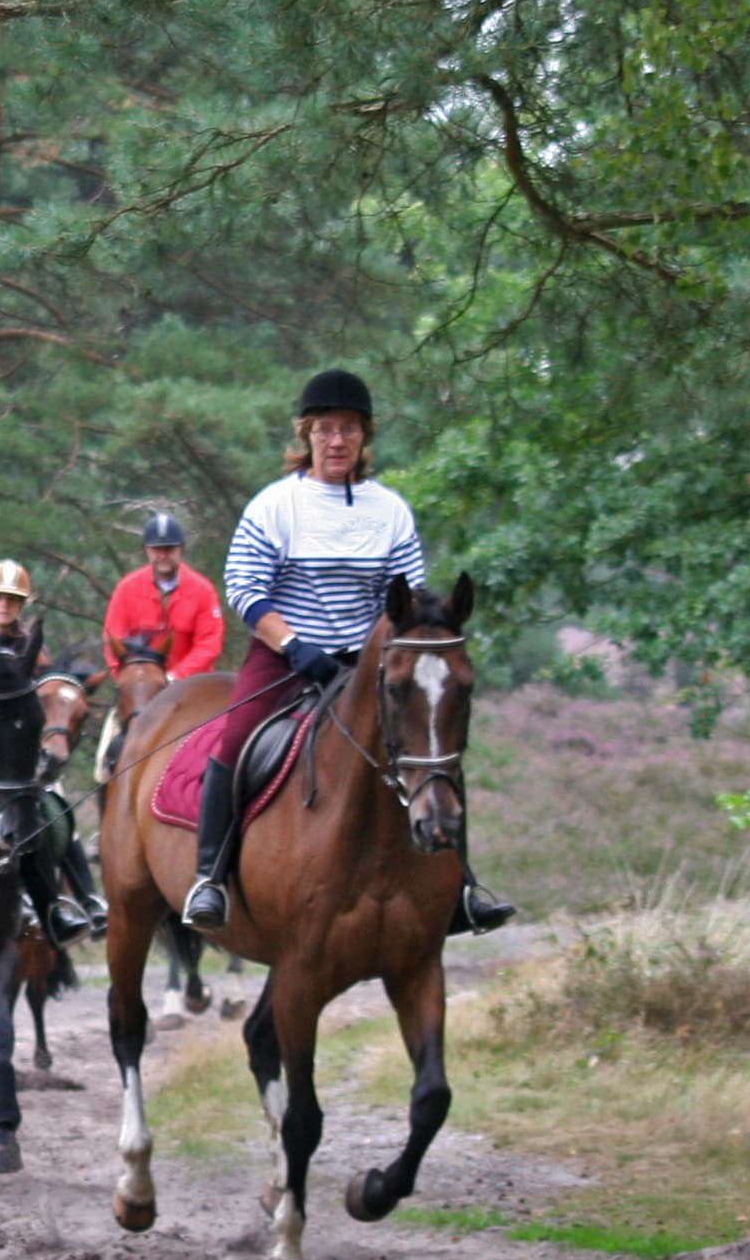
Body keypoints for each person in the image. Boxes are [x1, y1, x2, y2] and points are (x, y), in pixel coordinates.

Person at [180, 370, 517, 938]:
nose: (338, 441)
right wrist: (294, 645)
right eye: (326, 430)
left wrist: (381, 654)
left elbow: (409, 599)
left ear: (365, 438)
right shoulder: (275, 505)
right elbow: (244, 587)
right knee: (237, 740)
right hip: (286, 654)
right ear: (307, 435)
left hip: (369, 662)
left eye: (350, 430)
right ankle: (209, 876)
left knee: (431, 748)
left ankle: (459, 886)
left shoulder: (389, 511)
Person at [0, 561, 102, 943]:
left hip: (18, 750)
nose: (5, 605)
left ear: (23, 604)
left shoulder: (35, 651)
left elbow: (45, 699)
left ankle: (65, 903)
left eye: (13, 599)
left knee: (51, 805)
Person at [100, 511, 225, 689]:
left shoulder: (203, 590)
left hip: (190, 687)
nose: (162, 555)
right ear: (146, 550)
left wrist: (175, 676)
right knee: (114, 717)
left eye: (169, 548)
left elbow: (209, 645)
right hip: (140, 687)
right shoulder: (126, 588)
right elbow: (112, 640)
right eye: (156, 549)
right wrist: (127, 677)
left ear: (180, 548)